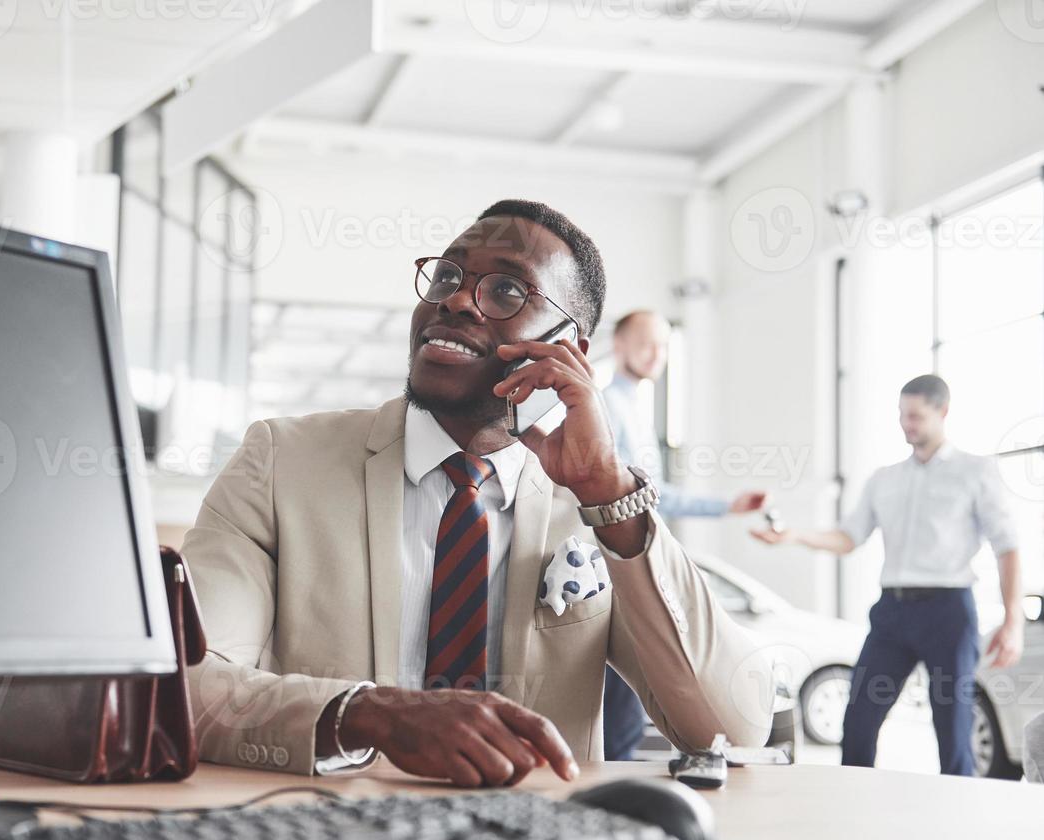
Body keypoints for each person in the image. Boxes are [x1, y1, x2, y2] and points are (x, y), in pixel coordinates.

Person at [181, 199, 773, 788]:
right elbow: (188, 683)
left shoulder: (594, 505)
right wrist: (368, 715)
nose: (457, 299)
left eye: (509, 291)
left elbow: (733, 728)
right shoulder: (282, 463)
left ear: (571, 348)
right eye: (447, 276)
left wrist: (612, 499)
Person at [752, 374, 1022, 776]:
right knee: (859, 718)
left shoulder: (975, 472)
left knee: (953, 726)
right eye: (901, 415)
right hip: (893, 613)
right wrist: (793, 536)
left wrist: (1013, 620)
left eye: (915, 416)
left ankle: (961, 816)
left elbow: (1007, 546)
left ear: (942, 412)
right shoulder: (885, 479)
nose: (906, 424)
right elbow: (848, 537)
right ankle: (854, 805)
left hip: (948, 612)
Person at [600, 310, 769, 761]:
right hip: (615, 568)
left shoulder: (635, 410)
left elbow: (653, 496)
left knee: (629, 711)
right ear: (619, 346)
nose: (656, 355)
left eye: (663, 346)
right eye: (645, 344)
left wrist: (726, 506)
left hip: (639, 561)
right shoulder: (606, 407)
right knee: (619, 712)